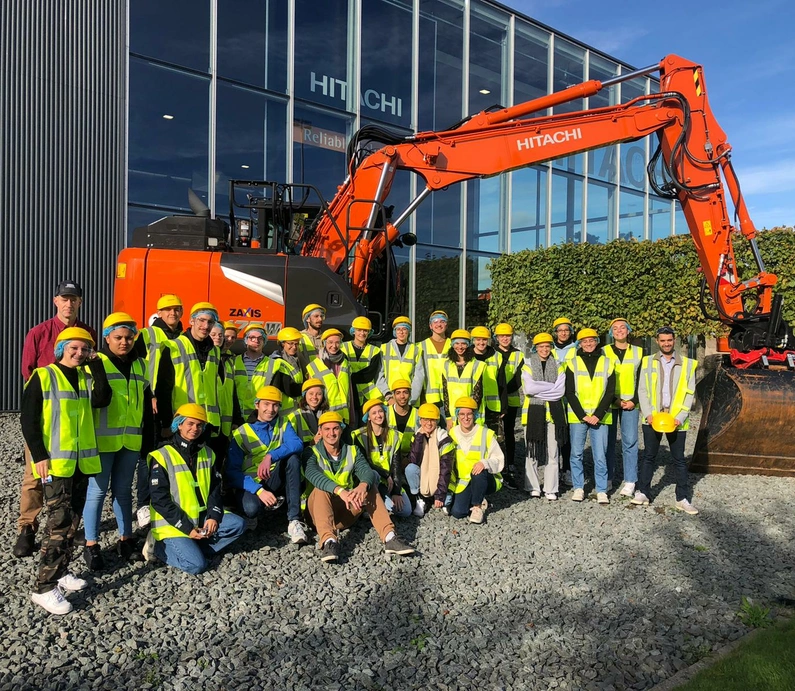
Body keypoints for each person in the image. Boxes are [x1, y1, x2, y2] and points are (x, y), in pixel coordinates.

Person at [21, 327, 111, 614]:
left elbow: (102, 399)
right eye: (73, 348)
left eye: (84, 349)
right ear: (61, 348)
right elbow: (29, 420)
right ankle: (44, 587)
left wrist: (96, 365)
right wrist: (39, 456)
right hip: (56, 464)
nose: (79, 353)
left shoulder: (85, 376)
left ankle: (60, 572)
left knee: (72, 521)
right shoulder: (44, 376)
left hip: (82, 463)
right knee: (58, 523)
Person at [15, 280, 98, 559]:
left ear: (80, 303)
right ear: (56, 301)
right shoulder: (39, 333)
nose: (69, 303)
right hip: (46, 418)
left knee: (72, 479)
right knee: (34, 476)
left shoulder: (88, 334)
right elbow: (29, 373)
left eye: (74, 299)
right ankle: (27, 527)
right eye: (65, 298)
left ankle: (65, 530)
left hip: (75, 424)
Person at [83, 313, 151, 571]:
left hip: (130, 441)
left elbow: (145, 406)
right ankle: (91, 544)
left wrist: (148, 441)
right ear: (107, 338)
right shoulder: (94, 363)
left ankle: (126, 539)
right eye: (118, 337)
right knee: (97, 492)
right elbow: (95, 400)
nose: (124, 342)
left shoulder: (141, 365)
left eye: (128, 337)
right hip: (102, 442)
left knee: (123, 492)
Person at [143, 404, 245, 574]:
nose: (195, 429)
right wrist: (186, 528)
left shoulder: (208, 453)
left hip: (201, 517)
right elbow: (160, 500)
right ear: (179, 424)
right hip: (173, 523)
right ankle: (158, 548)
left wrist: (213, 516)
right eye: (190, 423)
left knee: (237, 524)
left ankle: (194, 546)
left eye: (199, 425)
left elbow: (214, 489)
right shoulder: (161, 456)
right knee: (196, 565)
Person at [304, 412, 415, 562]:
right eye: (327, 429)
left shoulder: (353, 450)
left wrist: (362, 486)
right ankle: (329, 542)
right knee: (320, 489)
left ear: (341, 430)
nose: (331, 433)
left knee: (370, 486)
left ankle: (390, 537)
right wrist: (340, 491)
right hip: (318, 514)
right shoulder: (311, 452)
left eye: (335, 428)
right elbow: (312, 474)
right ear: (320, 431)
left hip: (347, 510)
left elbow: (366, 471)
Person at [226, 386, 309, 544]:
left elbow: (297, 444)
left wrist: (271, 456)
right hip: (252, 484)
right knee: (251, 509)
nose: (271, 409)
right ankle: (256, 512)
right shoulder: (241, 433)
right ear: (257, 405)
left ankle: (294, 520)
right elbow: (232, 473)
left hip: (274, 478)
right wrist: (258, 490)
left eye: (275, 405)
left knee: (293, 459)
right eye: (266, 404)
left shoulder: (283, 423)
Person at [632, 326, 699, 514]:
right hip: (653, 417)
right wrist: (647, 413)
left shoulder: (687, 364)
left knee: (679, 459)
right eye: (662, 340)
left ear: (674, 340)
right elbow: (642, 390)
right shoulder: (647, 362)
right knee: (648, 456)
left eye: (669, 340)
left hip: (677, 419)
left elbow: (690, 393)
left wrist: (680, 417)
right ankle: (643, 492)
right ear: (657, 341)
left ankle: (682, 498)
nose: (666, 343)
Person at [154, 302, 229, 466]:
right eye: (201, 320)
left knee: (204, 471)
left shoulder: (215, 351)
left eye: (210, 322)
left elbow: (216, 389)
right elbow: (163, 389)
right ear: (191, 321)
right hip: (181, 424)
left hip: (206, 423)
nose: (205, 326)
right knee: (181, 471)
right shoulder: (173, 347)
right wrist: (166, 423)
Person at [135, 293, 184, 529]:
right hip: (151, 403)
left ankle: (167, 499)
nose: (173, 313)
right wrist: (149, 393)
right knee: (148, 454)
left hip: (175, 403)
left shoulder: (184, 338)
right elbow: (134, 365)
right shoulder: (148, 335)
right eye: (168, 310)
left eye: (177, 309)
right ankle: (143, 504)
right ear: (160, 313)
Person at [565, 328, 616, 505]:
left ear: (596, 341)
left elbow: (610, 392)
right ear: (579, 343)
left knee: (600, 454)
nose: (588, 344)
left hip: (600, 417)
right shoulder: (572, 363)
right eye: (584, 341)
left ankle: (601, 490)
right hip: (579, 417)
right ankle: (579, 487)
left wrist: (597, 414)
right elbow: (569, 392)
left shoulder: (608, 362)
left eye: (591, 340)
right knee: (576, 453)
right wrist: (583, 415)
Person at [522, 333, 567, 500]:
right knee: (531, 452)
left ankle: (551, 488)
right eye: (541, 346)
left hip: (553, 415)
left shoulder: (558, 365)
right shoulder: (527, 365)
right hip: (533, 414)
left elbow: (560, 391)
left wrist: (541, 389)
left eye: (547, 346)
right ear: (535, 348)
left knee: (553, 453)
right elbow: (529, 389)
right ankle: (533, 486)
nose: (544, 349)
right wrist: (550, 387)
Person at [447, 396, 504, 523]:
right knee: (458, 512)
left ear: (475, 415)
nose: (465, 418)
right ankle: (478, 497)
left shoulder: (486, 433)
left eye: (469, 414)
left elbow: (499, 459)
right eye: (461, 414)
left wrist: (484, 463)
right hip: (464, 481)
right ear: (457, 415)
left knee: (478, 471)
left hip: (485, 478)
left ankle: (477, 507)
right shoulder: (452, 434)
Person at [351, 399, 411, 518]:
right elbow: (364, 463)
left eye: (380, 411)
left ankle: (376, 506)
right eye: (374, 413)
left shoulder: (394, 435)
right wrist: (385, 474)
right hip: (373, 478)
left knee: (405, 511)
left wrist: (396, 492)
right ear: (368, 417)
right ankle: (370, 503)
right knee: (372, 474)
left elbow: (396, 465)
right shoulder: (359, 436)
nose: (378, 415)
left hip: (389, 482)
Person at [603, 318, 643, 497]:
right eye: (615, 329)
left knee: (630, 442)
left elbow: (643, 380)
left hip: (631, 403)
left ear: (628, 330)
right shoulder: (603, 352)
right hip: (610, 403)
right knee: (608, 442)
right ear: (611, 333)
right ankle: (608, 478)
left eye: (622, 328)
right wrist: (615, 400)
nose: (619, 331)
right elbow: (601, 379)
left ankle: (630, 480)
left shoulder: (639, 352)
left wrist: (634, 400)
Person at [405, 403, 456, 518]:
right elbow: (414, 460)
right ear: (420, 420)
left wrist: (440, 494)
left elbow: (446, 468)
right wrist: (419, 438)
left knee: (446, 503)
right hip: (424, 476)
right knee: (410, 469)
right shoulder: (417, 435)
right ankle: (420, 498)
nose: (429, 423)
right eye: (426, 420)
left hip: (442, 479)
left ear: (437, 421)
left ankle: (443, 495)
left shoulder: (444, 438)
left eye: (432, 420)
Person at [492, 323, 524, 488]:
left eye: (508, 336)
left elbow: (519, 379)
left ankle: (510, 461)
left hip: (511, 399)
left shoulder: (518, 355)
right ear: (496, 338)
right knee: (495, 433)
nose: (505, 339)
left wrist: (503, 393)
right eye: (502, 336)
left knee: (510, 432)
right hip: (493, 399)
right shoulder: (492, 353)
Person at [305, 328, 354, 424]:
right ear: (324, 343)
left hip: (343, 416)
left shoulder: (345, 362)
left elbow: (350, 392)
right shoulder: (314, 365)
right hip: (324, 416)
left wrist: (351, 416)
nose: (334, 346)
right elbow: (311, 394)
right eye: (330, 342)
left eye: (337, 342)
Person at [341, 316, 382, 423]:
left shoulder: (375, 350)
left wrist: (351, 376)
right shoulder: (343, 348)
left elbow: (369, 375)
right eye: (359, 330)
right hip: (350, 394)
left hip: (368, 396)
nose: (362, 333)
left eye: (365, 331)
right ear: (353, 331)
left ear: (369, 332)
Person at [552, 316, 576, 487]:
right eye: (560, 330)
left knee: (569, 437)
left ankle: (567, 468)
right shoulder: (549, 349)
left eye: (566, 330)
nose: (563, 333)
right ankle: (556, 470)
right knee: (556, 436)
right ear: (555, 333)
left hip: (571, 398)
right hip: (554, 397)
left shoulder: (576, 349)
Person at [441, 330, 485, 424]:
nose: (460, 347)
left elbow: (478, 393)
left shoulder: (477, 365)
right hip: (453, 416)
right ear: (452, 345)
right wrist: (448, 416)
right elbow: (445, 393)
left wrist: (469, 414)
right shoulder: (446, 365)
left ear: (468, 345)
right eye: (456, 343)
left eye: (463, 344)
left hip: (470, 415)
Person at [262, 327, 306, 416]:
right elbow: (290, 389)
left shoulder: (295, 360)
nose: (294, 347)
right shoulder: (278, 362)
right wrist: (308, 386)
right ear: (282, 344)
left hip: (295, 410)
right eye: (290, 343)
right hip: (284, 412)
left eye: (296, 344)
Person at [377, 316, 421, 403]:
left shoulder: (416, 350)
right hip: (390, 398)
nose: (401, 332)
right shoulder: (384, 348)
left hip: (409, 399)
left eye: (404, 329)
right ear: (395, 331)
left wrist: (411, 398)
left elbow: (419, 377)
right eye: (398, 329)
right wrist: (388, 395)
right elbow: (379, 374)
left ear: (408, 331)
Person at [471, 326, 503, 440]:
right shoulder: (467, 356)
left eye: (484, 339)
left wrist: (503, 406)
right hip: (473, 404)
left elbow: (501, 382)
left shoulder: (496, 356)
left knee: (494, 439)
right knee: (474, 437)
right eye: (478, 339)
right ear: (473, 340)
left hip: (492, 406)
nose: (481, 342)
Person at [233, 323, 269, 418]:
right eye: (252, 337)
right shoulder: (233, 362)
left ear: (264, 341)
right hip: (236, 417)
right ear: (246, 340)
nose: (256, 341)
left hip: (260, 417)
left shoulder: (272, 364)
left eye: (260, 338)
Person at [416, 310, 451, 409]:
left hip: (450, 398)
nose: (439, 324)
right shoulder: (420, 346)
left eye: (442, 321)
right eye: (435, 321)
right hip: (428, 399)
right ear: (430, 326)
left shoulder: (454, 345)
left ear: (446, 325)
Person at [385, 379, 419, 465]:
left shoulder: (418, 414)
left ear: (410, 394)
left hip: (411, 458)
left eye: (405, 392)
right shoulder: (386, 413)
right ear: (393, 395)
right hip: (390, 456)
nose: (402, 396)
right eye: (398, 393)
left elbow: (419, 443)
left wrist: (408, 459)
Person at [288, 379, 329, 445]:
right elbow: (290, 444)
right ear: (304, 395)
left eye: (319, 394)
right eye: (311, 393)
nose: (314, 397)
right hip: (303, 454)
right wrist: (311, 443)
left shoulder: (328, 415)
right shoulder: (294, 416)